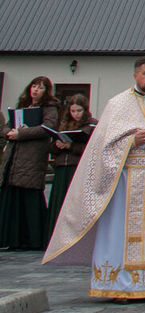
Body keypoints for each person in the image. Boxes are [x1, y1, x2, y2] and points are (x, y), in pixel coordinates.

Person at [42, 58, 145, 300]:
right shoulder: (117, 104)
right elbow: (102, 148)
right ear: (135, 75)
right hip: (124, 182)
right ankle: (119, 285)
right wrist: (131, 141)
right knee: (119, 232)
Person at [43, 94, 93, 239]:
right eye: (73, 111)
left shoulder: (91, 125)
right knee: (59, 202)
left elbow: (91, 149)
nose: (76, 114)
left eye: (79, 111)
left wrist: (71, 146)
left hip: (76, 168)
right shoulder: (64, 123)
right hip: (61, 167)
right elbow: (51, 148)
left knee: (74, 203)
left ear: (85, 110)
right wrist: (57, 145)